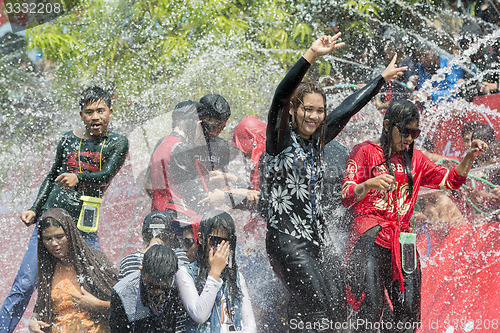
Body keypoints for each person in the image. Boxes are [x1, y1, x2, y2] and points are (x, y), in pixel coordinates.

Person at [260, 33, 407, 331]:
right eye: (307, 109)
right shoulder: (280, 140)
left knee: (338, 313)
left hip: (316, 242)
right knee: (321, 317)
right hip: (287, 241)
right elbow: (280, 96)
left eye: (319, 110)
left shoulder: (317, 141)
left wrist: (381, 79)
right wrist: (311, 55)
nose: (313, 116)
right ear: (293, 110)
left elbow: (348, 108)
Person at [341, 100, 488, 332]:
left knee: (409, 312)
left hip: (404, 241)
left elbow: (451, 181)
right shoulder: (364, 151)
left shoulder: (417, 159)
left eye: (415, 133)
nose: (410, 138)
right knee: (370, 308)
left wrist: (469, 157)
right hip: (369, 235)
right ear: (388, 125)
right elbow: (346, 196)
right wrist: (368, 184)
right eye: (406, 132)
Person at [0, 86, 129, 332]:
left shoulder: (117, 143)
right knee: (25, 284)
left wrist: (78, 178)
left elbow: (106, 175)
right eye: (89, 112)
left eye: (101, 111)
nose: (95, 117)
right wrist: (35, 209)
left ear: (110, 112)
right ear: (81, 115)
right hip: (50, 223)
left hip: (83, 225)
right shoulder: (68, 139)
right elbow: (51, 177)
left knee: (98, 281)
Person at [28, 208, 118, 333]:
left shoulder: (94, 262)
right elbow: (40, 308)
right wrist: (33, 322)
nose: (54, 243)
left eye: (59, 237)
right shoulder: (48, 269)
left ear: (70, 234)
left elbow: (123, 305)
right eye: (48, 239)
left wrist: (97, 304)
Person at [176, 210, 256, 332]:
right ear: (201, 239)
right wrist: (215, 273)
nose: (220, 247)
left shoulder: (236, 277)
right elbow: (199, 315)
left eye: (226, 242)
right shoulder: (185, 273)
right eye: (215, 240)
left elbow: (250, 325)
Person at [110, 245, 186, 333]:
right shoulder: (123, 292)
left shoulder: (182, 284)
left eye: (163, 287)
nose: (157, 292)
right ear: (141, 271)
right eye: (151, 286)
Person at [118, 210, 189, 280]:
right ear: (173, 236)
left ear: (143, 236)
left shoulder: (128, 261)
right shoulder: (182, 256)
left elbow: (121, 289)